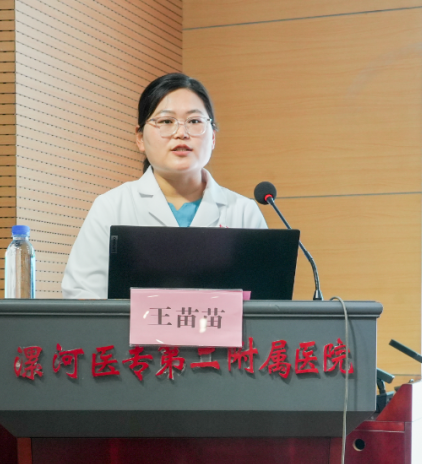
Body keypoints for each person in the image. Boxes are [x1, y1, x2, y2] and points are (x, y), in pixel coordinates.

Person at [61, 73, 268, 299]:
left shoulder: (243, 212)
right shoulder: (111, 207)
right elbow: (83, 296)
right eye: (166, 122)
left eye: (194, 121)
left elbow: (266, 302)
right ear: (140, 138)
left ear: (213, 138)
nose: (181, 133)